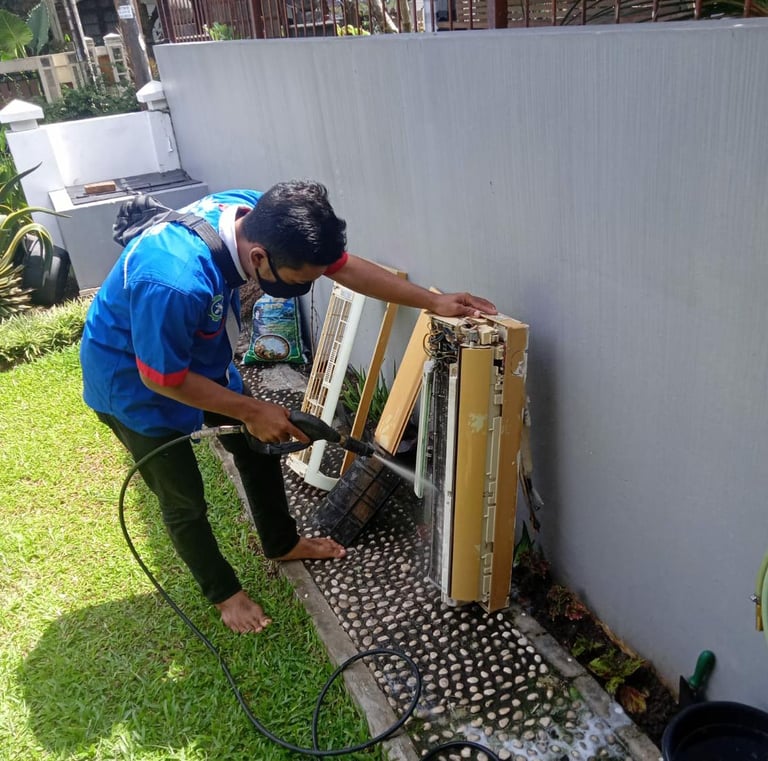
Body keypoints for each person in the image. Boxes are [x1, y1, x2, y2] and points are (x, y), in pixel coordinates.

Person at [80, 181, 496, 634]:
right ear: (259, 258)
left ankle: (282, 542)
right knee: (183, 497)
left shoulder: (257, 215)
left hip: (198, 358)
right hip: (134, 381)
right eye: (303, 280)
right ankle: (225, 594)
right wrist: (253, 410)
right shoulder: (173, 279)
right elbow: (162, 376)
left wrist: (433, 302)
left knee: (257, 449)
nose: (312, 284)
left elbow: (342, 268)